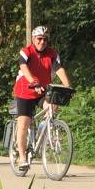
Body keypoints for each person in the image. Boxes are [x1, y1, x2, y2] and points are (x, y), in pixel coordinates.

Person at [13, 26, 71, 170]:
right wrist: (33, 81)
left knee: (53, 107)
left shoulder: (52, 54)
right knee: (24, 124)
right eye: (39, 39)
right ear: (33, 39)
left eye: (45, 39)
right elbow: (23, 67)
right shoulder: (26, 51)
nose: (42, 42)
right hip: (24, 91)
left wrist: (68, 86)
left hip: (41, 90)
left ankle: (43, 131)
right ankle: (22, 157)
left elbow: (58, 69)